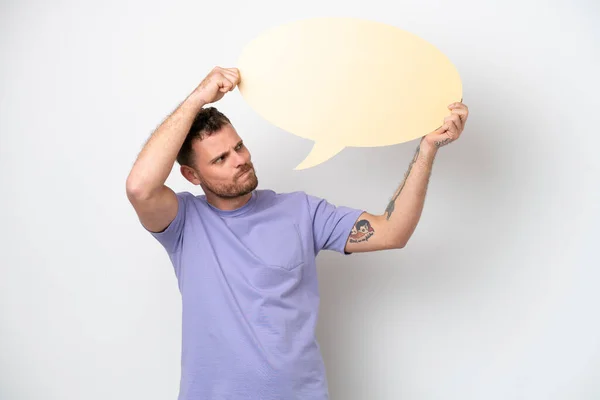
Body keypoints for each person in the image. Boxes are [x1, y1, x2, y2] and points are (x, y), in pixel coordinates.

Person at [126, 66, 469, 400]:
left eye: (239, 147)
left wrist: (427, 149)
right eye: (220, 159)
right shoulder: (184, 222)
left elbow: (391, 231)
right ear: (191, 175)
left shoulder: (300, 211)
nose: (240, 160)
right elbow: (140, 188)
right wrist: (197, 98)